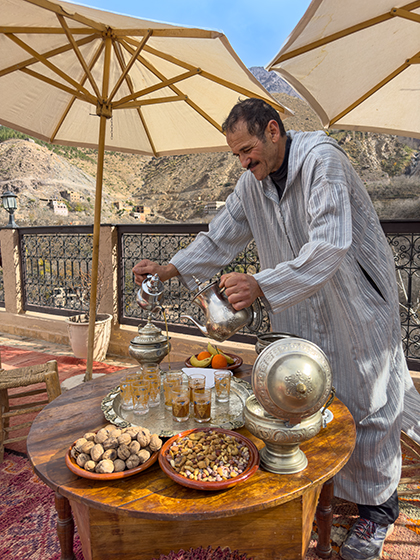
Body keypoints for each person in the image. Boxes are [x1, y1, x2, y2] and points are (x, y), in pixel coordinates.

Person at [133, 97, 420, 560]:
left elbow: (330, 246)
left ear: (272, 131)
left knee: (370, 402)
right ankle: (333, 493)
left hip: (356, 302)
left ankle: (379, 512)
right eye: (236, 156)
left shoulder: (322, 161)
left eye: (247, 150)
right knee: (308, 396)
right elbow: (219, 236)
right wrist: (168, 269)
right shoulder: (253, 183)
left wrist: (260, 283)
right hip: (302, 306)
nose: (244, 162)